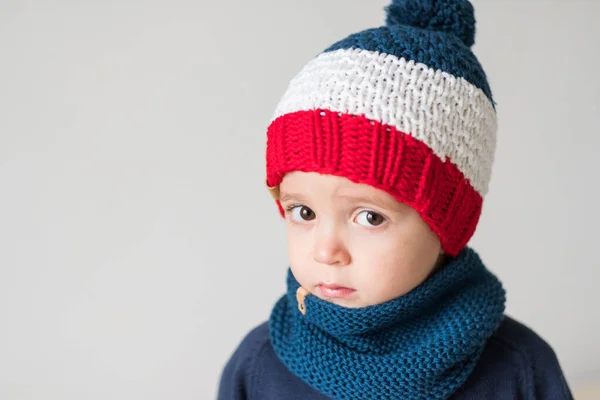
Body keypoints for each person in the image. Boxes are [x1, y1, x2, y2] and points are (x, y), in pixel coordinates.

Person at [218, 0, 573, 398]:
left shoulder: (519, 370)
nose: (326, 251)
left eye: (370, 217)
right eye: (303, 211)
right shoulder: (258, 366)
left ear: (447, 226)